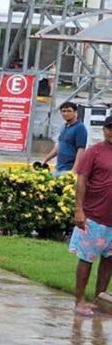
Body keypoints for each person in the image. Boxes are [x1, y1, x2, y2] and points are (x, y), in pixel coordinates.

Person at [69, 116, 112, 318]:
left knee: (109, 261)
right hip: (93, 216)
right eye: (109, 128)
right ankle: (80, 300)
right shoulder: (93, 152)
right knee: (86, 259)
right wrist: (79, 209)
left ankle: (98, 300)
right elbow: (81, 181)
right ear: (104, 130)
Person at [40, 102, 88, 175]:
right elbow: (59, 146)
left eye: (69, 111)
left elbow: (81, 150)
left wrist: (74, 170)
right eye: (63, 111)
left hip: (69, 169)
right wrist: (45, 160)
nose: (65, 113)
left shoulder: (80, 128)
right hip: (59, 168)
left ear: (75, 112)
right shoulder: (64, 126)